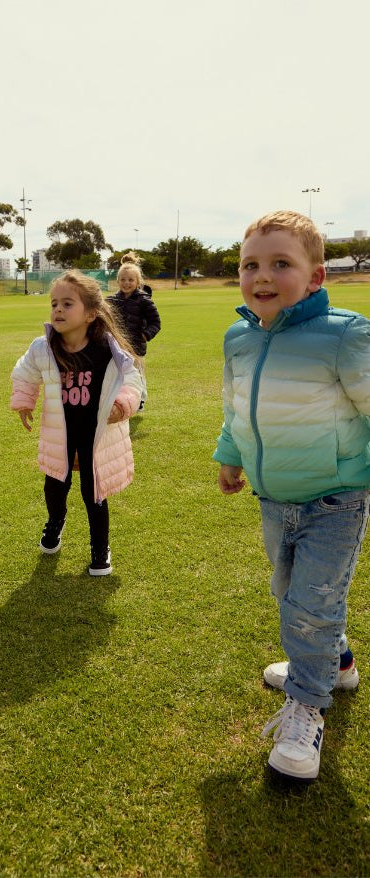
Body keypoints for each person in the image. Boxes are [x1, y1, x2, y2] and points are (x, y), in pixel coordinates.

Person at [213, 210, 370, 782]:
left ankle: (307, 708)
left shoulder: (344, 335)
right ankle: (338, 664)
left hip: (336, 498)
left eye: (281, 263)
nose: (262, 275)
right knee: (292, 593)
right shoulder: (239, 338)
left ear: (316, 277)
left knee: (311, 605)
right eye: (250, 264)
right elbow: (236, 406)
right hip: (273, 496)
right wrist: (230, 454)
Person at [10, 269, 142, 576]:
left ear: (90, 314)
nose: (58, 309)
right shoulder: (43, 347)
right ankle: (55, 521)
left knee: (93, 493)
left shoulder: (107, 349)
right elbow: (25, 372)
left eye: (67, 304)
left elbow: (131, 380)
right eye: (54, 303)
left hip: (95, 436)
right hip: (60, 434)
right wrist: (24, 400)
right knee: (55, 485)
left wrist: (122, 404)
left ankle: (100, 547)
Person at [107, 252, 161, 411]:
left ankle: (140, 400)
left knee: (136, 374)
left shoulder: (144, 301)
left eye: (131, 280)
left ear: (138, 282)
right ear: (118, 281)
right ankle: (120, 400)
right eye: (123, 279)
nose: (126, 283)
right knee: (118, 374)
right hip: (117, 346)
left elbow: (155, 323)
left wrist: (145, 335)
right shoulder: (112, 300)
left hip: (136, 347)